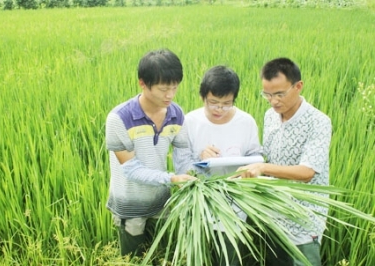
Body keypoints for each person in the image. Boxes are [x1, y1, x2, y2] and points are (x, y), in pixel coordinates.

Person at [236, 57, 332, 266]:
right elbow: (266, 158)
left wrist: (263, 167)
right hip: (275, 213)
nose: (274, 101)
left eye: (280, 94)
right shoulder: (270, 116)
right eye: (267, 95)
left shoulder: (318, 122)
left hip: (304, 219)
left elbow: (307, 172)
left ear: (298, 87)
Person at [105, 48, 196, 258]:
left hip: (162, 202)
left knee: (161, 254)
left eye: (174, 87)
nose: (170, 95)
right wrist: (172, 178)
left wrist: (188, 177)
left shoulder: (176, 113)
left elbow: (182, 151)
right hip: (130, 203)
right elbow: (130, 169)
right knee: (133, 258)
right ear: (142, 84)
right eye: (164, 89)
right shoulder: (119, 118)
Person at [174, 65, 263, 266]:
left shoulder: (246, 122)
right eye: (213, 103)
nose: (219, 109)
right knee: (198, 258)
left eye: (226, 104)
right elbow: (180, 165)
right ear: (203, 96)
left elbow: (255, 155)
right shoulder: (190, 122)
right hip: (198, 204)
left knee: (229, 259)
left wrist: (250, 170)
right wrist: (199, 156)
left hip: (234, 205)